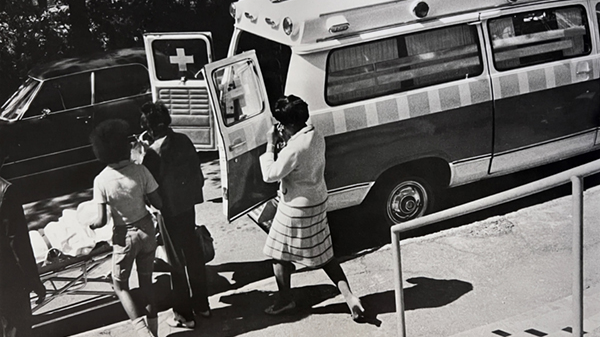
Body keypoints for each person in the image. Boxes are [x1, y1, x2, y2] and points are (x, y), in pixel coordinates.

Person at [260, 95, 365, 320]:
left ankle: (285, 300)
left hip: (295, 208)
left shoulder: (294, 148)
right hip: (316, 201)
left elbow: (270, 174)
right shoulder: (316, 135)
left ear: (286, 124)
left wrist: (270, 145)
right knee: (325, 255)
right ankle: (350, 297)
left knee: (278, 255)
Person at [86, 119, 162, 337]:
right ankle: (154, 333)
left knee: (120, 285)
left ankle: (141, 331)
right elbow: (158, 203)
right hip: (147, 231)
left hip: (124, 237)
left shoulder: (101, 180)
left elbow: (100, 221)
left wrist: (90, 224)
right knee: (147, 284)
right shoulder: (140, 171)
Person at [140, 101, 210, 329]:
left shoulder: (153, 153)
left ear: (148, 128)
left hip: (168, 210)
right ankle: (202, 305)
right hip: (188, 205)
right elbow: (197, 174)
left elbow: (149, 188)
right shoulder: (184, 140)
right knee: (193, 254)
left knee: (175, 262)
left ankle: (183, 314)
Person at [0, 146, 46, 337]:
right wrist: (34, 280)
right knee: (18, 328)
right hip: (8, 278)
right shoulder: (6, 192)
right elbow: (17, 243)